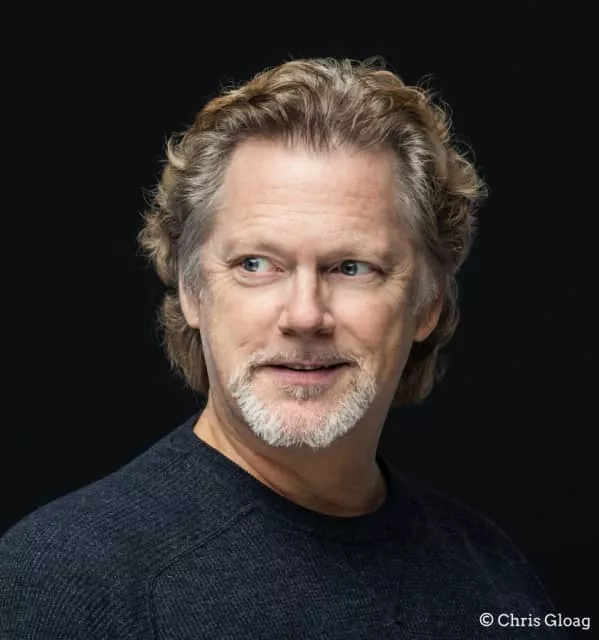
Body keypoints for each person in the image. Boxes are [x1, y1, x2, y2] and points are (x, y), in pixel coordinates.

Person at [1, 57, 566, 639]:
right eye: (256, 264)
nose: (304, 316)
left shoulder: (494, 573)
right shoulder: (69, 584)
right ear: (192, 291)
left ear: (428, 306)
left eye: (352, 267)